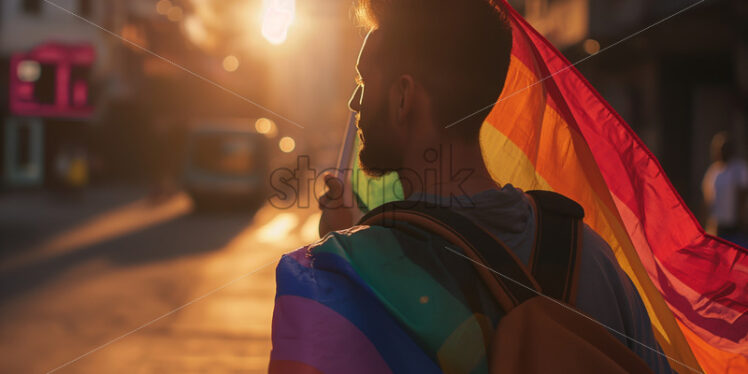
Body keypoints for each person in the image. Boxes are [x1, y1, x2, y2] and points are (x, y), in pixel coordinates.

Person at [271, 1, 671, 372]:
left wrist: (340, 256)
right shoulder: (591, 256)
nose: (354, 103)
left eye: (364, 80)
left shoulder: (350, 273)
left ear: (403, 97)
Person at [702, 131, 748, 244]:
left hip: (736, 226)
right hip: (718, 226)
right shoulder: (713, 172)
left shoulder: (739, 169)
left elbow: (742, 196)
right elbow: (707, 200)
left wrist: (742, 221)